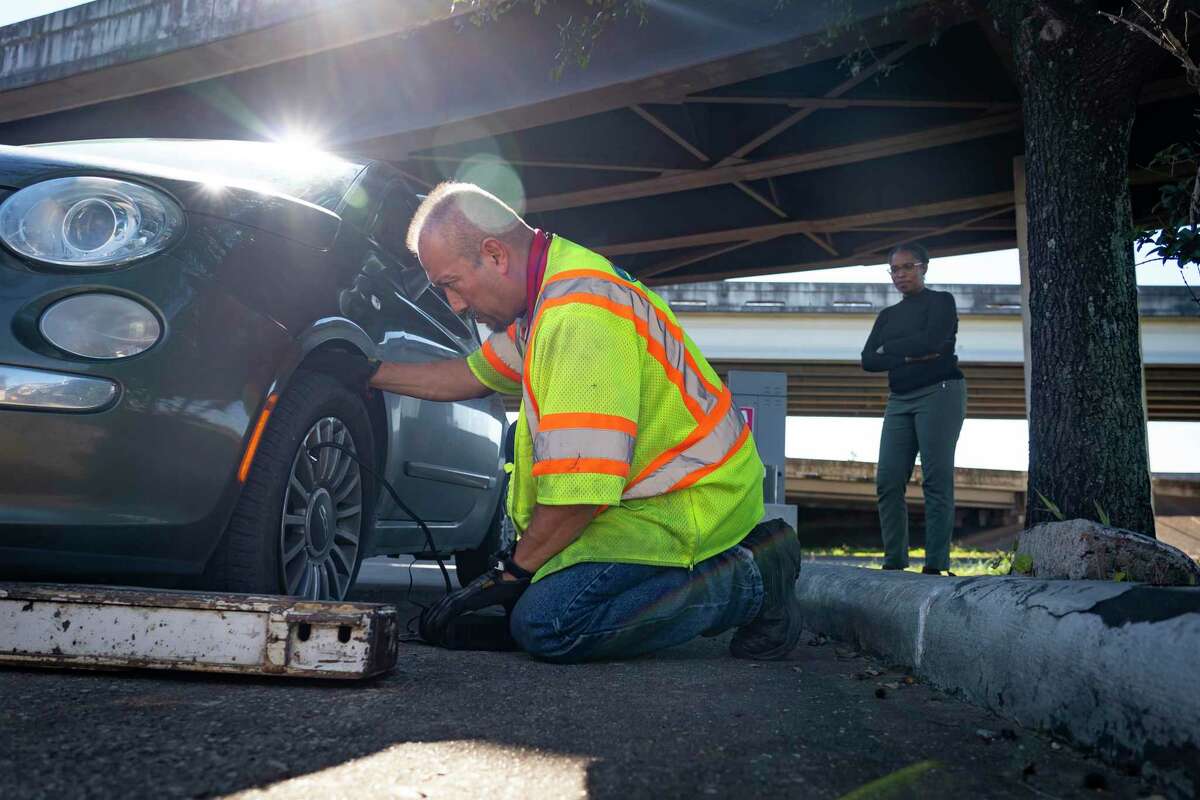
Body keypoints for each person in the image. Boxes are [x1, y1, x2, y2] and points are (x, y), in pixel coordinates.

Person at [362, 182, 803, 663]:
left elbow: (580, 497)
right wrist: (370, 373)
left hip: (691, 501)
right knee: (533, 597)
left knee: (549, 623)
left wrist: (508, 573)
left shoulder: (579, 315)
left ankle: (756, 580)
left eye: (450, 284)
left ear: (494, 255)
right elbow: (470, 375)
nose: (456, 305)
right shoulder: (546, 292)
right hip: (646, 499)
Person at [860, 243, 966, 575]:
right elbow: (868, 359)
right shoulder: (887, 316)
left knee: (935, 479)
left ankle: (936, 565)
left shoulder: (941, 302)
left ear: (924, 268)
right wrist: (907, 354)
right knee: (888, 480)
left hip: (941, 391)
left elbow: (934, 343)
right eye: (895, 269)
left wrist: (891, 349)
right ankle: (894, 561)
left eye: (908, 267)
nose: (901, 274)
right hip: (900, 398)